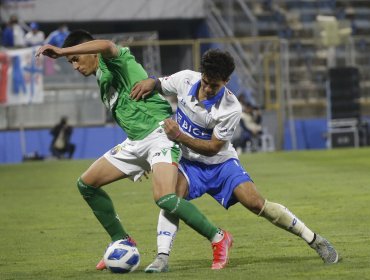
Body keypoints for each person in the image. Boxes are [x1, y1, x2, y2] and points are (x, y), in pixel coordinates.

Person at [36, 30, 232, 271]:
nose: (74, 66)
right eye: (70, 63)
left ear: (89, 50)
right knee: (86, 184)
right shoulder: (101, 78)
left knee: (165, 198)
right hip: (136, 142)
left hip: (160, 135)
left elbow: (107, 45)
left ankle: (218, 237)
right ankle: (121, 239)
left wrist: (62, 50)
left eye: (75, 59)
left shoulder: (114, 60)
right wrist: (141, 159)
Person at [130, 49, 339, 273]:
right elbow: (159, 84)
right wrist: (150, 81)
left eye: (215, 86)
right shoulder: (185, 79)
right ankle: (162, 257)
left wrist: (179, 136)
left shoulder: (231, 107)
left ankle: (315, 240)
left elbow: (213, 148)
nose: (208, 89)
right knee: (170, 198)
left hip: (221, 164)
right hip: (189, 163)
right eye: (206, 82)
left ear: (227, 82)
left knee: (256, 203)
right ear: (201, 74)